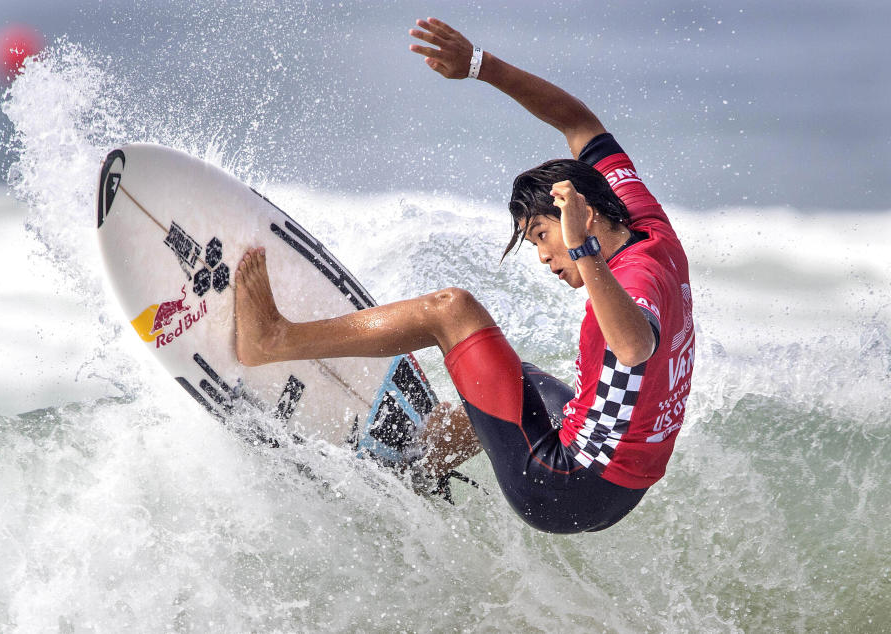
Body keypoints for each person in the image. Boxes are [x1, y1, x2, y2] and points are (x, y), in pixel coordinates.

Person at [233, 17, 695, 534]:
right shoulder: (642, 220)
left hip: (562, 486)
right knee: (523, 380)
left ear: (582, 215)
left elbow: (633, 347)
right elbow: (579, 122)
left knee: (451, 312)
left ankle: (273, 338)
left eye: (542, 234)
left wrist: (582, 246)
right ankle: (415, 463)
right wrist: (480, 65)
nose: (543, 255)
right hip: (616, 492)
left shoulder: (635, 275)